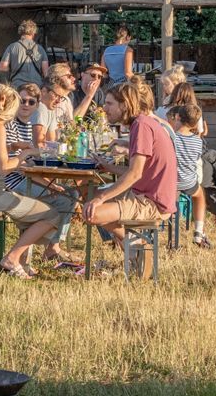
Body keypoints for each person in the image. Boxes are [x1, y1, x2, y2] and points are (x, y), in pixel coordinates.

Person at [0, 85, 77, 277]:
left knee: (38, 208)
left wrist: (14, 146)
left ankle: (23, 262)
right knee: (51, 215)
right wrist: (24, 153)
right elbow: (5, 167)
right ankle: (12, 259)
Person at [75, 81, 179, 269]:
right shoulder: (142, 123)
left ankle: (136, 248)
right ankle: (135, 250)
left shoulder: (141, 125)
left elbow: (135, 174)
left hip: (152, 202)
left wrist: (101, 199)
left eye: (109, 104)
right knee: (89, 194)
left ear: (124, 105)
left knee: (92, 211)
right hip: (147, 195)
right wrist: (109, 167)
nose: (104, 108)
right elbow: (140, 170)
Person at [161, 80, 216, 223]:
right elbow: (197, 135)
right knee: (211, 165)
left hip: (186, 156)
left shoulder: (167, 109)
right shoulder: (186, 111)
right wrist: (200, 133)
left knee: (210, 164)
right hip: (186, 158)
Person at [167, 103, 208, 247]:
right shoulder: (198, 141)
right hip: (189, 182)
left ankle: (171, 236)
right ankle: (198, 231)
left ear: (177, 117)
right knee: (200, 196)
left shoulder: (172, 138)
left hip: (170, 183)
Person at [0, 19, 47, 89]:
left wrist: (6, 84)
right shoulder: (40, 49)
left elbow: (3, 67)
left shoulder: (12, 47)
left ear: (20, 32)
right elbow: (46, 73)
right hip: (36, 87)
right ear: (33, 34)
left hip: (17, 86)